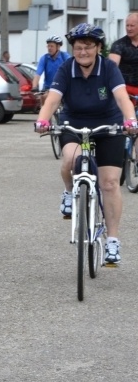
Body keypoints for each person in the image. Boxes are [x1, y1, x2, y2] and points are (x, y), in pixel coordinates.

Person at [34, 23, 138, 265]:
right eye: (79, 47)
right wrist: (42, 119)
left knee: (110, 183)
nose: (83, 52)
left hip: (108, 127)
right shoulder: (65, 68)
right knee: (70, 159)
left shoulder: (109, 68)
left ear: (98, 48)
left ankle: (112, 240)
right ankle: (70, 192)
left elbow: (122, 97)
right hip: (75, 125)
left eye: (88, 47)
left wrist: (130, 120)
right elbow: (52, 99)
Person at [108, 12, 138, 99]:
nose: (129, 28)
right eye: (127, 25)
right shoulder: (118, 45)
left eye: (132, 26)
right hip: (125, 90)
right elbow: (111, 67)